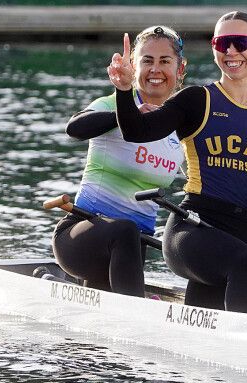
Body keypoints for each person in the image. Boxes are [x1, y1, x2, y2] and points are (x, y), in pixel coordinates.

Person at [107, 11, 247, 313]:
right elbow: (137, 131)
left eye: (240, 42)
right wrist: (123, 92)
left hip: (236, 236)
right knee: (245, 261)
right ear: (214, 50)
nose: (231, 51)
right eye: (222, 43)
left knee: (208, 310)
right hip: (190, 232)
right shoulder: (197, 100)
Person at [52, 25, 188, 296]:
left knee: (137, 233)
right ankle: (137, 309)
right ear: (133, 67)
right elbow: (74, 128)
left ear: (180, 70)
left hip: (131, 249)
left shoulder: (181, 125)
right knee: (126, 230)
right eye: (147, 61)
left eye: (165, 61)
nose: (155, 70)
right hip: (80, 238)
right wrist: (129, 114)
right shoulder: (111, 103)